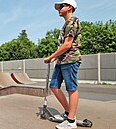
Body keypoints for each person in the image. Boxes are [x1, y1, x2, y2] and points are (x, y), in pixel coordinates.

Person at [43, 0, 82, 129]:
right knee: (54, 85)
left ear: (69, 7)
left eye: (61, 6)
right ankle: (68, 113)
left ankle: (71, 121)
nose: (58, 9)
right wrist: (56, 58)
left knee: (71, 87)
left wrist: (51, 56)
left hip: (70, 59)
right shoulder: (66, 24)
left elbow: (67, 45)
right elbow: (63, 46)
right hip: (62, 60)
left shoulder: (72, 21)